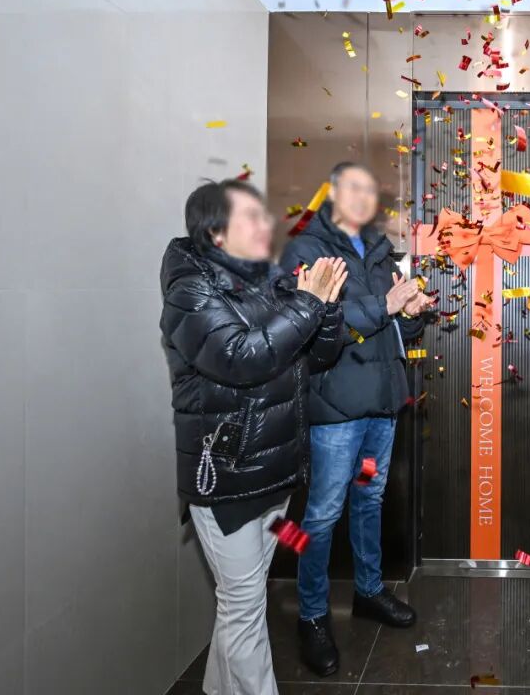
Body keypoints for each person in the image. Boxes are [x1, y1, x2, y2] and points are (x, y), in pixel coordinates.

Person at [159, 179, 347, 695]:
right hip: (228, 476)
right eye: (251, 216)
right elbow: (240, 359)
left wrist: (326, 307)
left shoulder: (267, 282)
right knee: (243, 608)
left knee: (240, 604)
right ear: (216, 233)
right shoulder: (190, 291)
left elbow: (318, 356)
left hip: (275, 471)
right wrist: (308, 305)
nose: (266, 224)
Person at [281, 162, 434, 677]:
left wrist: (411, 314)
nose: (364, 197)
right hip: (335, 413)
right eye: (353, 188)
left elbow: (392, 329)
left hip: (380, 409)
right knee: (321, 515)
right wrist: (384, 305)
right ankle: (312, 614)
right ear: (331, 194)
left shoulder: (382, 252)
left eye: (370, 190)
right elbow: (310, 323)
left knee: (369, 499)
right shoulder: (306, 250)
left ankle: (368, 592)